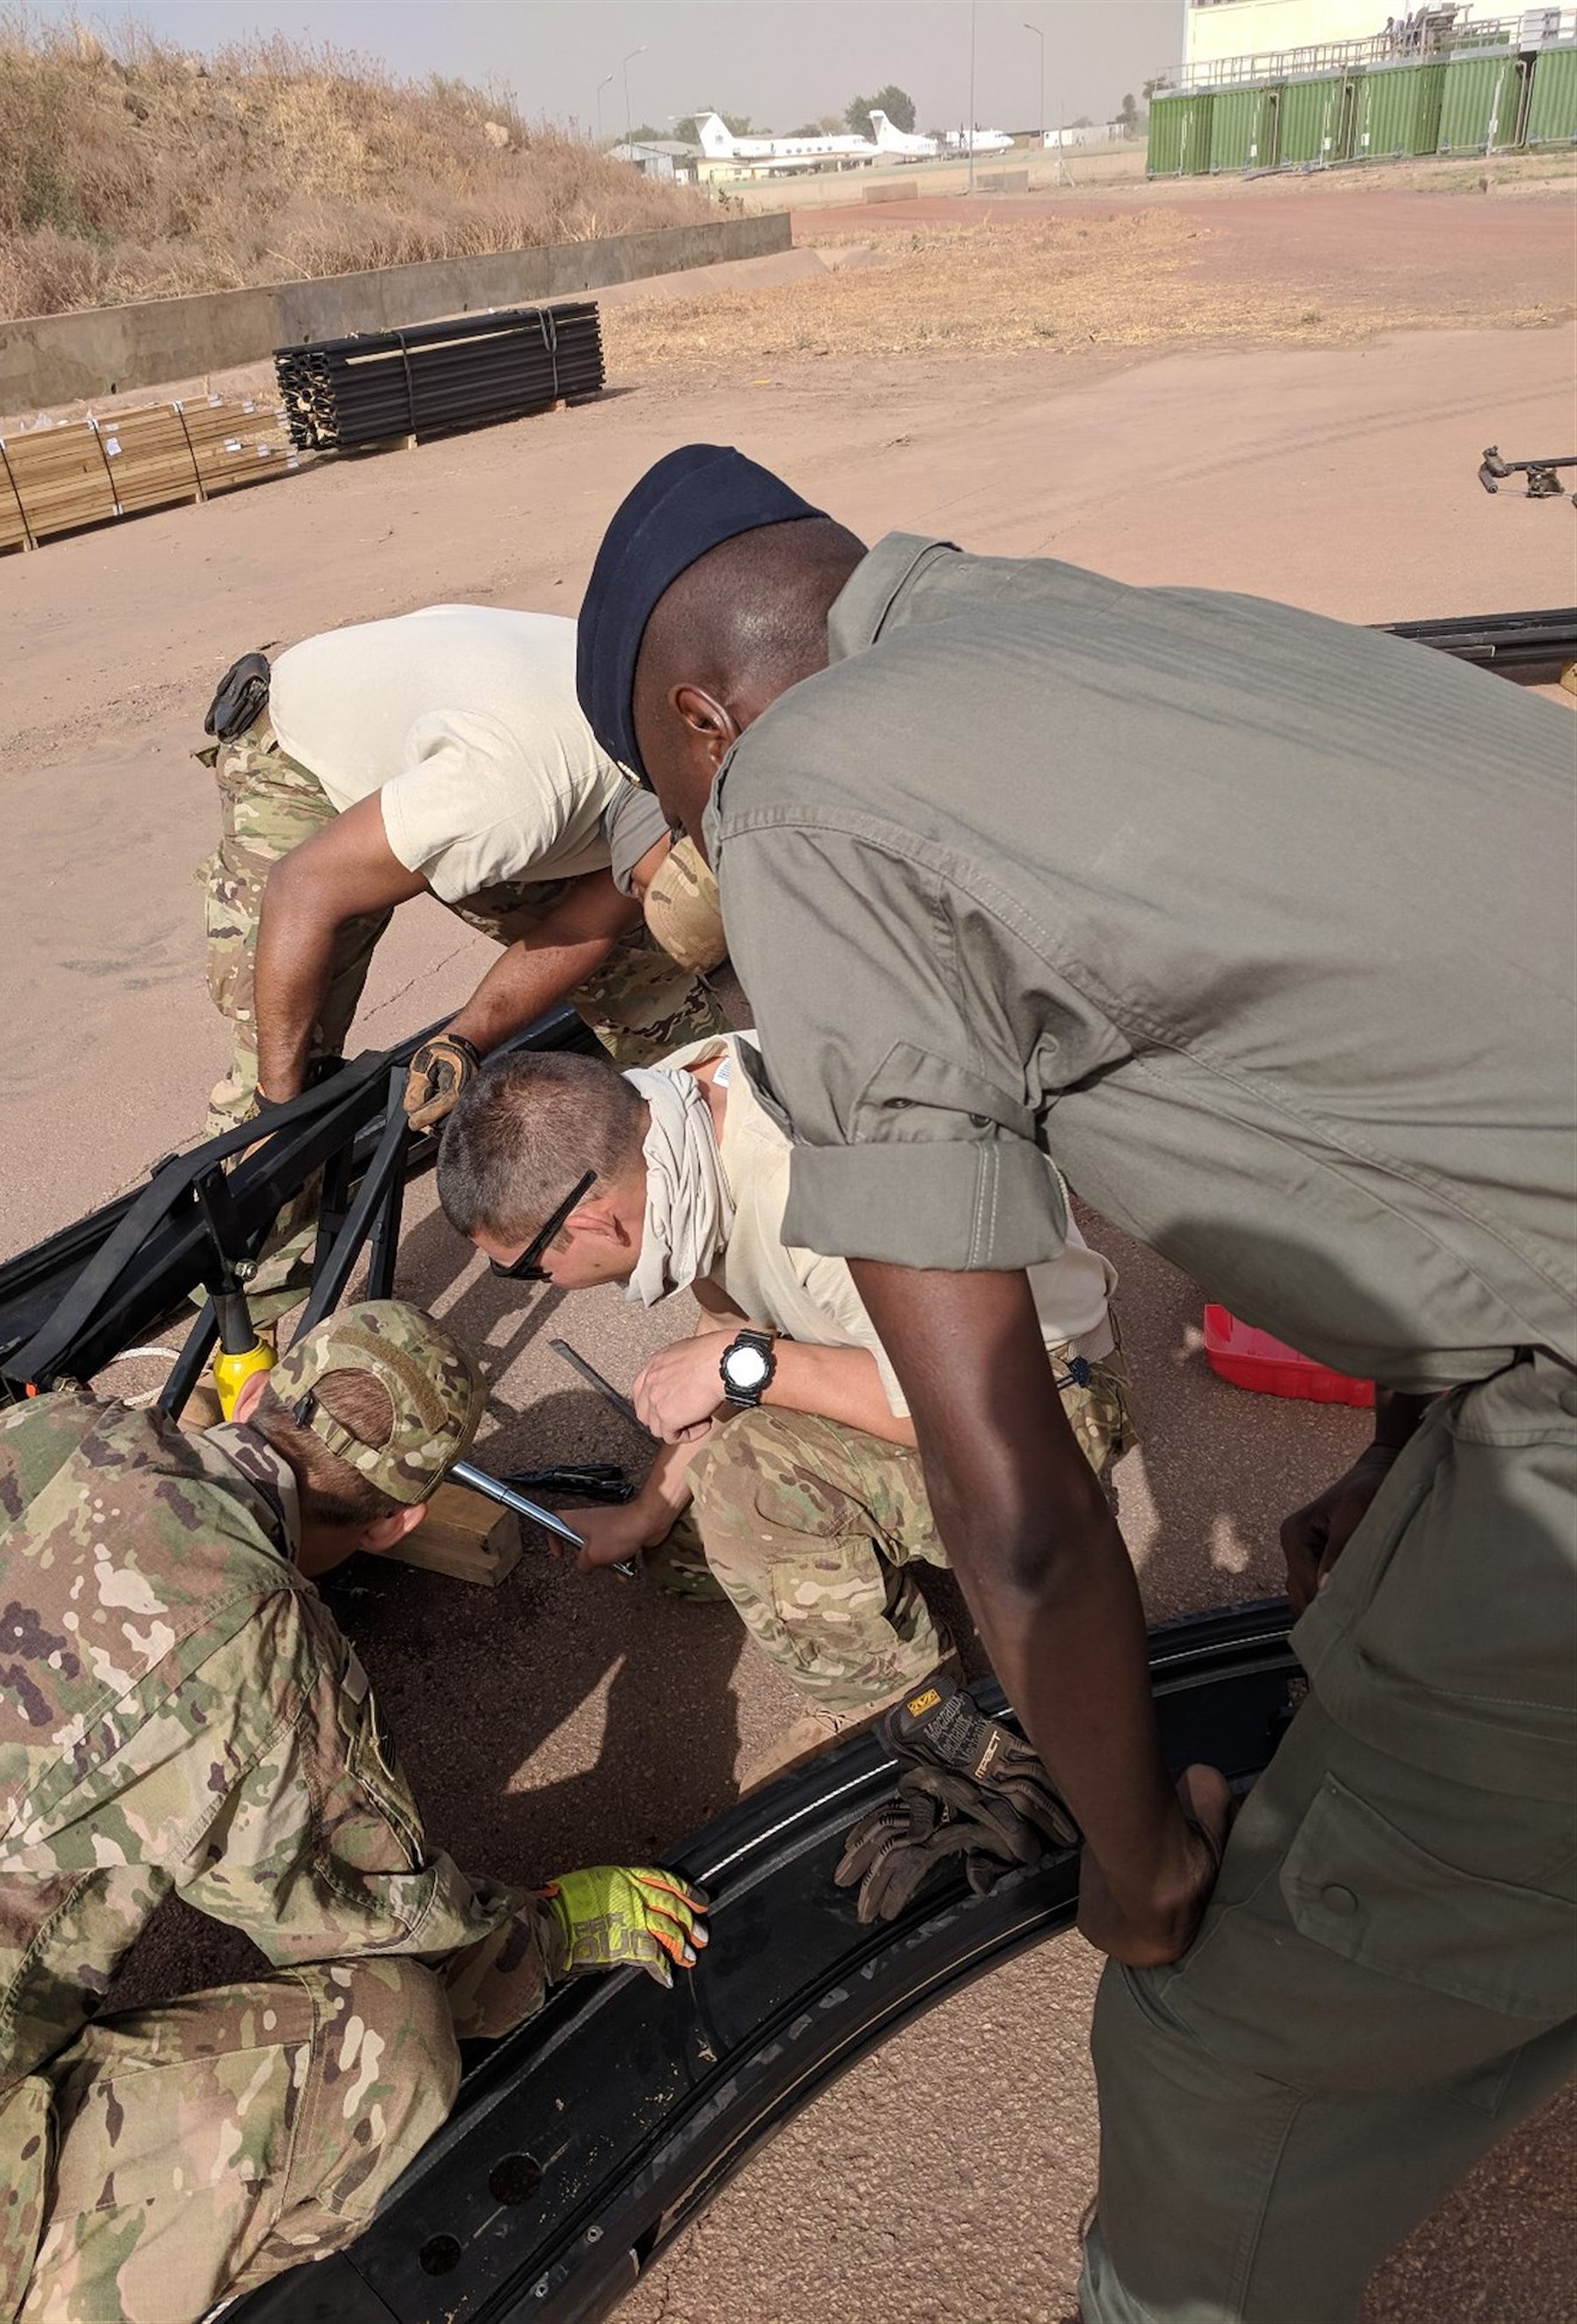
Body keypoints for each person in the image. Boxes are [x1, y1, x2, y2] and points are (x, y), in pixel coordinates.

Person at [570, 443, 1575, 2321]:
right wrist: (1406, 1439)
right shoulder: (1072, 626)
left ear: (705, 718)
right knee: (1385, 1615)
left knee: (1232, 2048)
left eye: (681, 789)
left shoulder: (801, 797)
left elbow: (1010, 1496)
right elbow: (1420, 1049)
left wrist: (1136, 1866)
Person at [0, 1300, 707, 2323]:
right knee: (394, 2042)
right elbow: (390, 1917)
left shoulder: (45, 1429)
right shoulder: (246, 1631)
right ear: (398, 1524)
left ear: (251, 1391)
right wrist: (547, 1930)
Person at [435, 1036, 1134, 1785]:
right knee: (688, 1553)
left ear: (598, 1224)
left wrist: (746, 1366)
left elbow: (963, 1408)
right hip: (903, 1359)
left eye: (526, 1270)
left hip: (1042, 1401)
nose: (537, 1284)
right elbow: (730, 1314)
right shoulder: (668, 1119)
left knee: (746, 1486)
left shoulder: (811, 1202)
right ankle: (841, 1572)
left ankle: (896, 1707)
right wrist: (648, 1512)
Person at [196, 604, 726, 1145]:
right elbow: (301, 887)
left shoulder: (689, 752)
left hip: (474, 721)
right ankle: (262, 1195)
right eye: (639, 892)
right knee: (284, 1049)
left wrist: (463, 1040)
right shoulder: (508, 803)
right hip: (298, 751)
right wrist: (278, 1111)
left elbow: (576, 933)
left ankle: (701, 1140)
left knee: (641, 975)